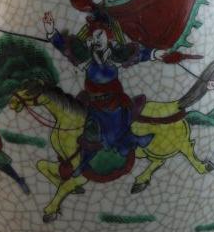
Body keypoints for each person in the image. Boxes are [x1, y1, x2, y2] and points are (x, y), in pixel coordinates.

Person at [43, 11, 165, 178]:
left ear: (109, 37)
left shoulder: (116, 55)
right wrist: (51, 31)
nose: (96, 40)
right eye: (93, 37)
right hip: (94, 104)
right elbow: (65, 47)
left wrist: (154, 54)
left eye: (100, 36)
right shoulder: (86, 56)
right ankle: (83, 163)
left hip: (115, 102)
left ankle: (134, 139)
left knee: (115, 129)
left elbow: (138, 56)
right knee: (89, 133)